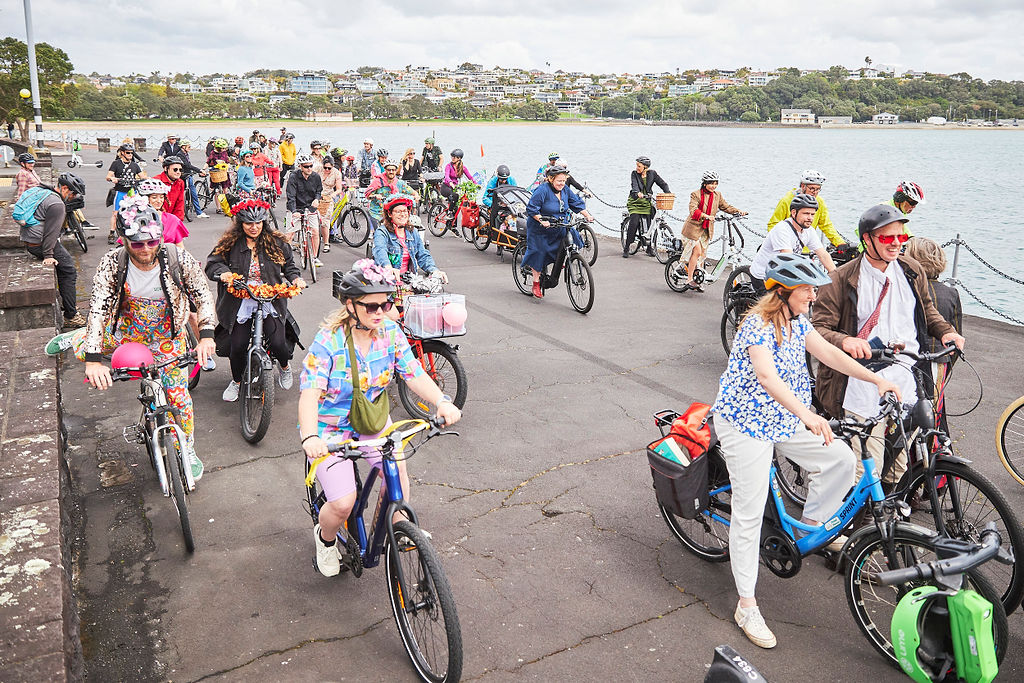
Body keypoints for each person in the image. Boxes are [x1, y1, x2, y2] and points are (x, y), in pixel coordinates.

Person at [711, 253, 901, 649]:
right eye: (807, 290)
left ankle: (810, 531)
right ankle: (746, 605)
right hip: (745, 422)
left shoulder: (797, 322)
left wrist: (875, 380)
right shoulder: (757, 325)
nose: (814, 296)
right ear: (783, 292)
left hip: (781, 417)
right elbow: (765, 376)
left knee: (840, 459)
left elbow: (830, 354)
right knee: (748, 512)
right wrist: (807, 415)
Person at [298, 259, 461, 576]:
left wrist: (441, 401)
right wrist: (310, 437)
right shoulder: (328, 343)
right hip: (329, 429)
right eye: (371, 306)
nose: (379, 312)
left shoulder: (390, 333)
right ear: (350, 305)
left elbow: (413, 375)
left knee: (398, 476)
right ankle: (326, 538)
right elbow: (309, 395)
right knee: (344, 503)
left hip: (371, 421)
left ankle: (399, 530)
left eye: (386, 304)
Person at [812, 204, 965, 487]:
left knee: (899, 465)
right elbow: (819, 329)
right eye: (887, 238)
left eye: (901, 237)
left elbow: (927, 311)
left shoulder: (911, 270)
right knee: (865, 468)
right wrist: (846, 340)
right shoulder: (840, 279)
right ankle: (857, 525)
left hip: (907, 377)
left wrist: (946, 331)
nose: (896, 243)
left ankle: (887, 524)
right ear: (867, 240)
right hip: (861, 381)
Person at [73, 200, 214, 480]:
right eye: (137, 244)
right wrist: (92, 361)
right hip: (129, 336)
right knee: (88, 346)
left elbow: (202, 294)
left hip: (167, 340)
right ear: (124, 240)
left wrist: (206, 335)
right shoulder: (112, 263)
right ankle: (76, 338)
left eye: (152, 242)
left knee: (179, 396)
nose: (146, 250)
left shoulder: (177, 258)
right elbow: (99, 308)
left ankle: (187, 447)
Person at [205, 199, 306, 401]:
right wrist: (224, 274)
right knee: (238, 345)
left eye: (258, 222)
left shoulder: (277, 243)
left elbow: (290, 268)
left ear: (264, 222)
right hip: (240, 300)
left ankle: (284, 367)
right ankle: (236, 381)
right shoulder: (230, 243)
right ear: (240, 224)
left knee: (278, 343)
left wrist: (296, 279)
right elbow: (213, 265)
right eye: (249, 223)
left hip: (270, 298)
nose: (254, 227)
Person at [18, 173, 88, 328]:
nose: (74, 197)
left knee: (64, 268)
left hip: (30, 240)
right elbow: (51, 233)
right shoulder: (57, 205)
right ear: (64, 188)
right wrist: (48, 255)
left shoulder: (46, 192)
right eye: (73, 193)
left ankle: (68, 303)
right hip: (39, 244)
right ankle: (71, 315)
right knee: (69, 270)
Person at [523, 165, 595, 299]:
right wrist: (541, 220)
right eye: (559, 181)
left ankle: (562, 259)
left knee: (572, 236)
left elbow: (576, 204)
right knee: (540, 251)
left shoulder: (565, 190)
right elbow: (532, 209)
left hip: (559, 224)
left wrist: (587, 215)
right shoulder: (542, 190)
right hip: (541, 227)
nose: (562, 183)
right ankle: (536, 283)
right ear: (551, 179)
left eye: (563, 180)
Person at [749, 194, 836, 291]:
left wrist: (836, 276)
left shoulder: (809, 231)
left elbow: (823, 254)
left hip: (782, 271)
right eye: (806, 213)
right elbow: (788, 257)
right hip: (764, 275)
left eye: (812, 214)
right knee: (779, 304)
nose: (810, 218)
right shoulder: (782, 229)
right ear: (794, 213)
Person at [680, 170, 746, 290]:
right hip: (693, 228)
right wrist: (705, 216)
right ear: (705, 183)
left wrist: (738, 211)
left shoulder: (717, 195)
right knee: (697, 252)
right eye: (711, 183)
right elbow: (693, 210)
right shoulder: (695, 194)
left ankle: (697, 279)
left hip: (706, 229)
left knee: (702, 256)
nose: (713, 186)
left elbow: (725, 207)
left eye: (716, 183)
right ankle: (689, 279)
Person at [371, 195, 448, 285]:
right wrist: (388, 268)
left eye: (405, 211)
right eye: (398, 211)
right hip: (387, 282)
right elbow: (380, 250)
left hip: (409, 281)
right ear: (389, 214)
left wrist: (435, 271)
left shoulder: (412, 232)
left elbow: (423, 255)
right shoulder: (382, 232)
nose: (403, 214)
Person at [767, 170, 845, 247]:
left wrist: (839, 243)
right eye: (812, 188)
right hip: (787, 246)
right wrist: (779, 243)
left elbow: (826, 225)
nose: (815, 192)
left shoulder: (819, 202)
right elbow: (773, 224)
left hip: (808, 248)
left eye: (818, 189)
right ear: (803, 186)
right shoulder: (787, 200)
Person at [623, 156, 670, 257]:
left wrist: (668, 193)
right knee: (634, 222)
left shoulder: (652, 173)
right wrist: (637, 192)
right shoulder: (634, 174)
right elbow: (634, 185)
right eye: (637, 165)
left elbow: (662, 184)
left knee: (650, 224)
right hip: (635, 201)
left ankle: (649, 248)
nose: (637, 168)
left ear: (645, 167)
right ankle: (627, 247)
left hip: (647, 202)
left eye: (639, 166)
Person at [284, 154, 324, 266]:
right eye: (306, 166)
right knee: (289, 235)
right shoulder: (293, 177)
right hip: (296, 207)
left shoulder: (316, 177)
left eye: (311, 166)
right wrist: (293, 211)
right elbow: (290, 196)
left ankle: (314, 257)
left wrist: (317, 199)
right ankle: (284, 262)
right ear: (300, 166)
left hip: (310, 207)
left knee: (315, 232)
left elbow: (319, 191)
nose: (309, 168)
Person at [106, 143, 146, 244]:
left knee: (137, 211)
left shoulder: (134, 165)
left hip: (132, 192)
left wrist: (147, 179)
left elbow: (142, 176)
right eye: (128, 153)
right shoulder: (116, 163)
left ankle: (137, 230)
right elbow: (108, 176)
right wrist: (112, 178)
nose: (130, 155)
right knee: (115, 213)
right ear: (122, 153)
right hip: (120, 191)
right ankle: (111, 233)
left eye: (132, 153)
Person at [365, 159, 417, 233]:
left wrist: (416, 196)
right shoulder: (378, 181)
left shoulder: (399, 183)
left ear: (396, 171)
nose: (391, 172)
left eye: (393, 170)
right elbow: (367, 194)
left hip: (394, 212)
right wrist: (375, 195)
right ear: (385, 170)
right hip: (378, 211)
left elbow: (412, 192)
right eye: (389, 170)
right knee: (384, 231)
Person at [135, 178, 189, 247]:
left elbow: (180, 248)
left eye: (161, 197)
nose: (159, 201)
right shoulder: (134, 219)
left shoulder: (173, 220)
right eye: (154, 197)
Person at [177, 140, 210, 219]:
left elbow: (188, 166)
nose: (190, 148)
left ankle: (198, 211)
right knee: (189, 193)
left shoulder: (185, 153)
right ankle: (195, 212)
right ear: (183, 147)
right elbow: (187, 165)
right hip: (184, 175)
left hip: (188, 174)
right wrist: (199, 170)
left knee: (192, 193)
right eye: (188, 147)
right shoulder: (180, 155)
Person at [318, 156, 344, 252]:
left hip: (328, 196)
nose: (327, 170)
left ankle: (326, 243)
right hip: (316, 195)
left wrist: (331, 196)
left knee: (325, 221)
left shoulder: (336, 173)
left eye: (329, 168)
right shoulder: (318, 170)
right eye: (325, 168)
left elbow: (338, 189)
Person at [438, 148, 473, 214]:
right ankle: (449, 212)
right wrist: (450, 182)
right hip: (446, 187)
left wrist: (476, 184)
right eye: (452, 156)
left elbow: (470, 177)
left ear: (459, 158)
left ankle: (454, 222)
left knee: (457, 205)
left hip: (455, 187)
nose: (452, 158)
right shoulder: (448, 166)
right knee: (455, 196)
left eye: (454, 157)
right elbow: (447, 176)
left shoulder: (462, 167)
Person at [154, 156, 187, 221]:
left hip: (171, 219)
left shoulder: (180, 183)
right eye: (175, 169)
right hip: (157, 219)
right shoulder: (156, 181)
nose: (178, 172)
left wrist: (177, 221)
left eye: (180, 170)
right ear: (166, 168)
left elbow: (180, 204)